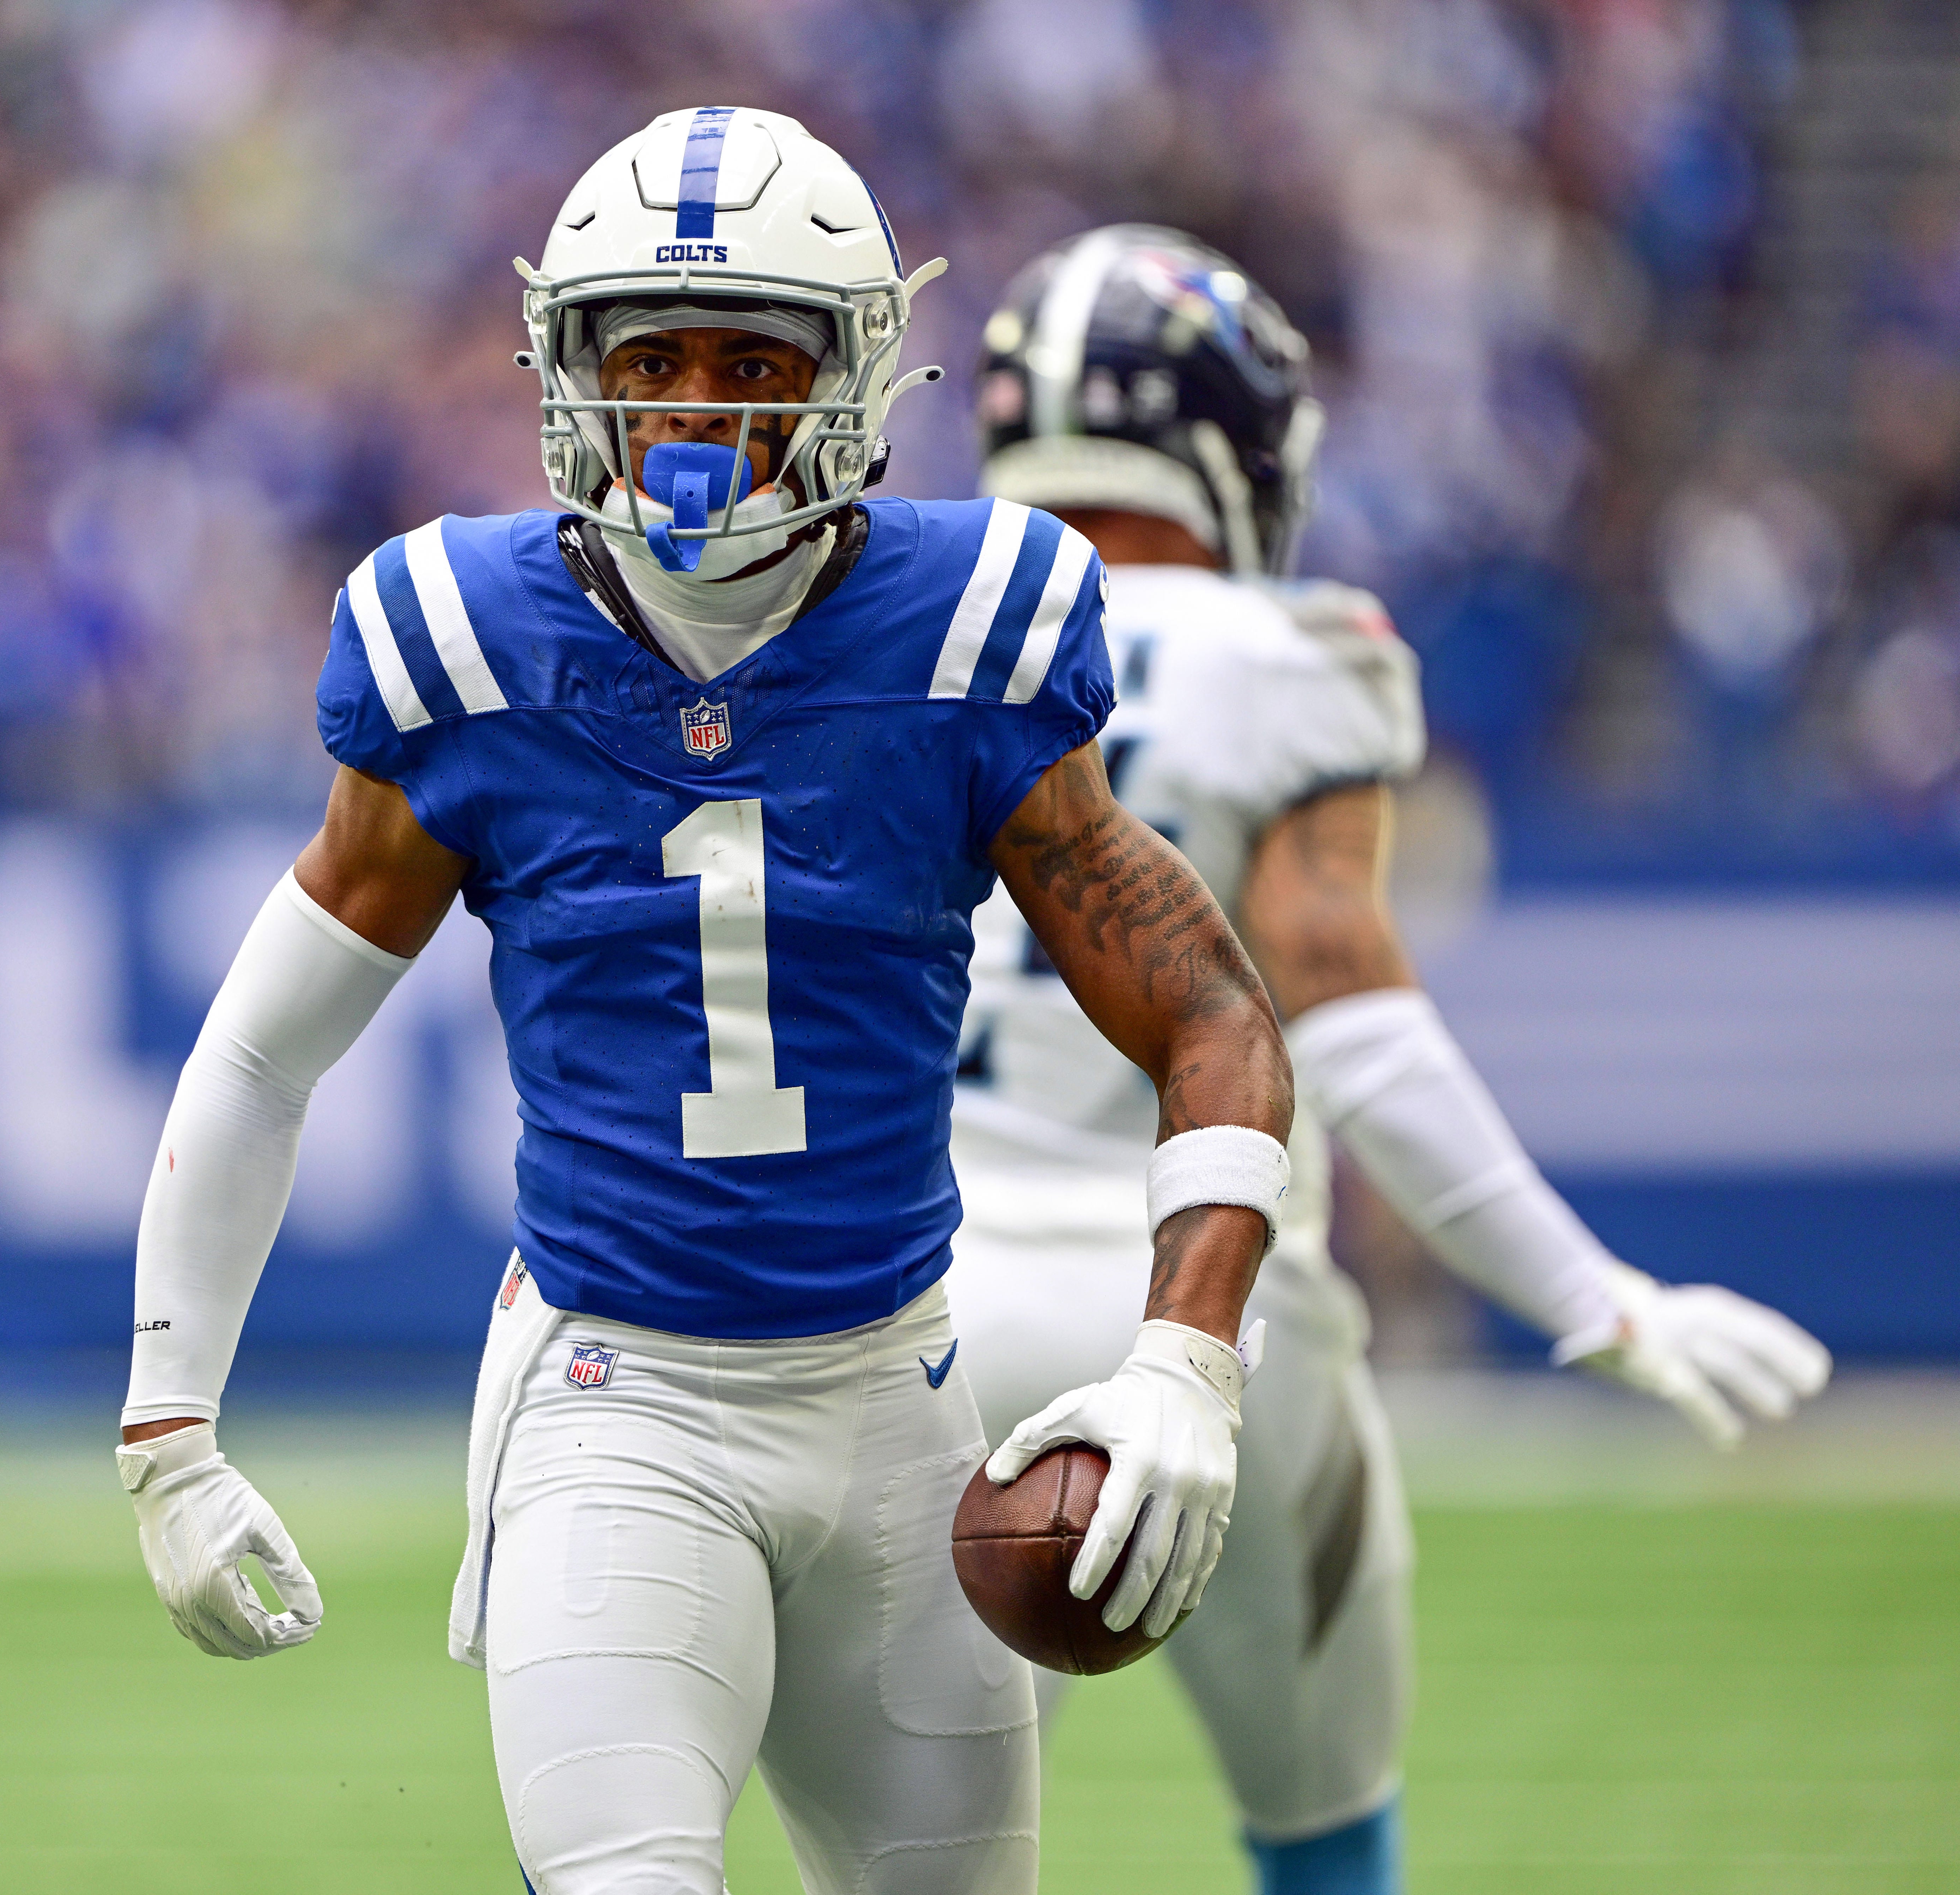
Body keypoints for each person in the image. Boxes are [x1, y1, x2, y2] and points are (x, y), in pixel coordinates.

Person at [116, 114, 1300, 1895]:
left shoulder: (970, 624)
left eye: (751, 361)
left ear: (851, 379)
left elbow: (1213, 1017)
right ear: (570, 371)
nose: (689, 410)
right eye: (646, 359)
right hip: (616, 1402)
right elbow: (265, 1048)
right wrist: (168, 1433)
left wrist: (1190, 1364)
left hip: (901, 1402)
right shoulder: (465, 638)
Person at [946, 225, 1837, 1895]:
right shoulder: (1291, 653)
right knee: (1327, 1830)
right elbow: (1348, 1006)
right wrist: (1597, 1297)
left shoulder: (912, 639)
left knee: (930, 1863)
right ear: (1227, 442)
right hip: (1198, 1311)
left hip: (915, 1305)